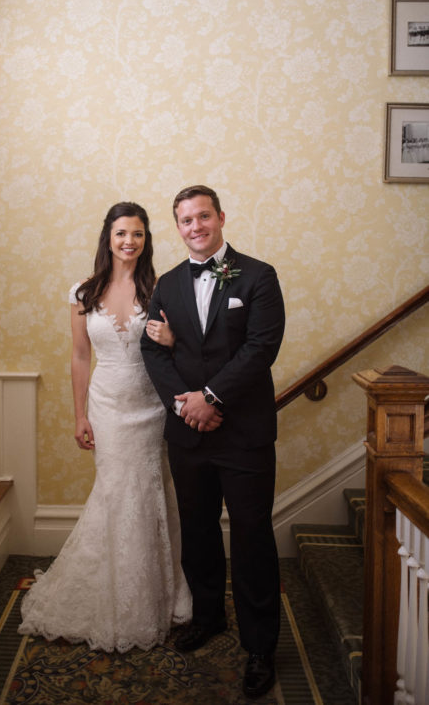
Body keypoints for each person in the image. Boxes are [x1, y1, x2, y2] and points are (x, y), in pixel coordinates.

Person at [19, 202, 191, 652]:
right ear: (108, 238)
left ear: (146, 239)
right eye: (121, 234)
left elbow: (182, 351)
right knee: (117, 494)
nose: (129, 242)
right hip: (107, 407)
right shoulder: (83, 293)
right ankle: (111, 594)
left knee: (150, 493)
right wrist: (80, 415)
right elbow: (79, 357)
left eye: (137, 234)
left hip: (151, 406)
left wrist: (172, 340)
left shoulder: (161, 289)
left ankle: (160, 596)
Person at [141, 185, 285, 699]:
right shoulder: (167, 283)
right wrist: (184, 406)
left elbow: (260, 347)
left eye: (203, 216)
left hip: (244, 433)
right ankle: (207, 617)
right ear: (176, 227)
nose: (195, 226)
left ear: (221, 217)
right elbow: (151, 351)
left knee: (251, 537)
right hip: (188, 434)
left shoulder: (259, 275)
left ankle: (260, 645)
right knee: (198, 530)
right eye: (185, 220)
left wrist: (211, 397)